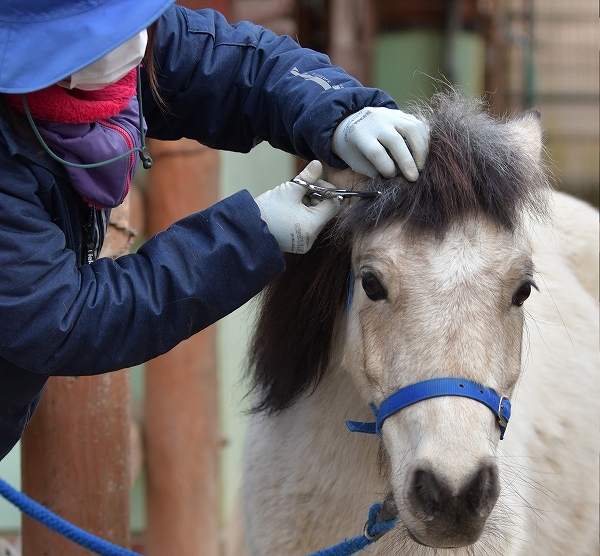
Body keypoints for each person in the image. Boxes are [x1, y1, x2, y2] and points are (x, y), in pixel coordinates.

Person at [0, 0, 429, 463]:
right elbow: (65, 317)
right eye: (102, 35)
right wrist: (251, 235)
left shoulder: (124, 46)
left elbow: (236, 64)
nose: (138, 42)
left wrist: (342, 111)